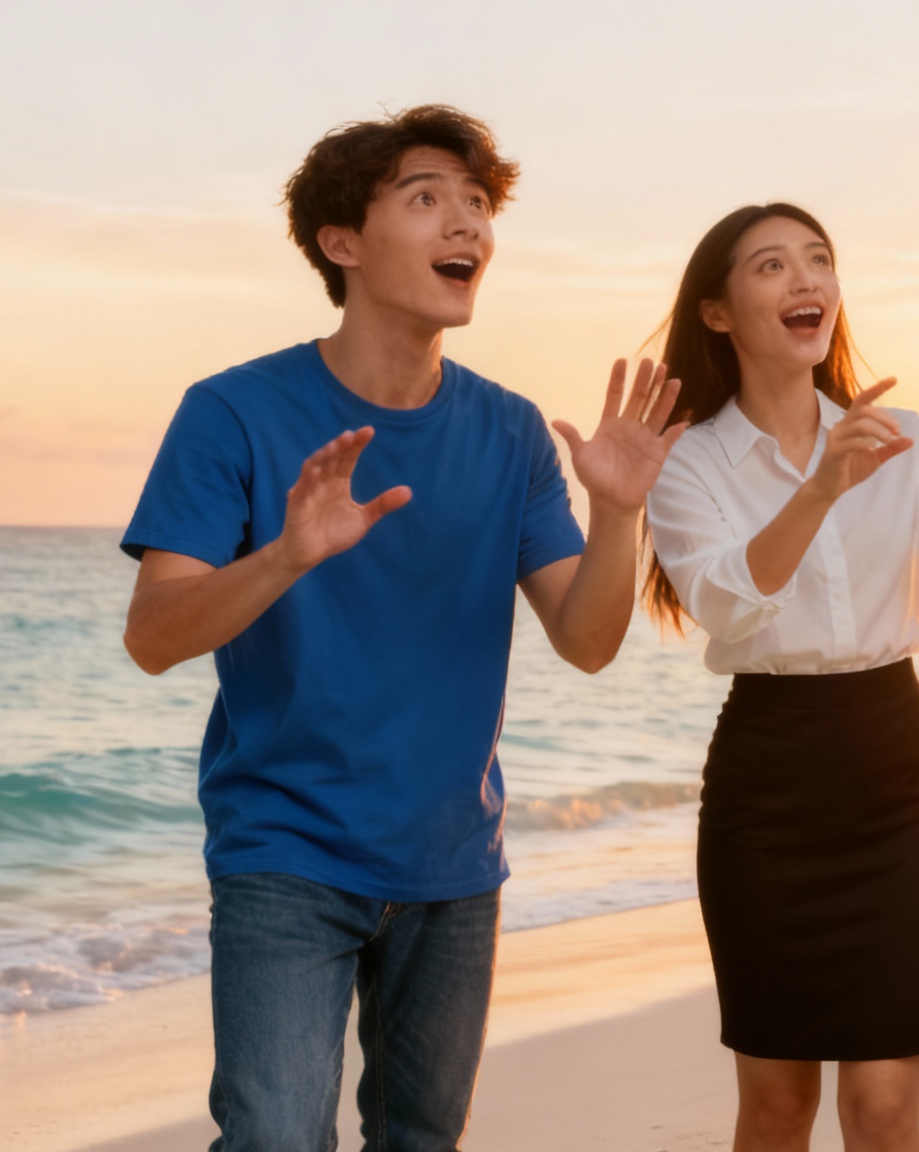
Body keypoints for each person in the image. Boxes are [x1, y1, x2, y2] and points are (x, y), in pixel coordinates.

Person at [118, 105, 684, 1152]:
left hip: (452, 865)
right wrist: (284, 556)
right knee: (276, 1139)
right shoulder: (231, 413)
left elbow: (588, 638)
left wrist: (617, 514)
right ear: (342, 244)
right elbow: (153, 634)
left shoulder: (509, 431)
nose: (463, 223)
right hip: (284, 855)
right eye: (425, 199)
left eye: (475, 203)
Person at [642, 203, 919, 1152]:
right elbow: (723, 601)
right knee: (775, 1106)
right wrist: (817, 490)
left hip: (895, 778)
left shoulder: (900, 438)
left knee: (885, 1106)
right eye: (771, 266)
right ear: (719, 312)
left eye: (819, 261)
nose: (805, 281)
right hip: (767, 786)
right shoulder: (689, 460)